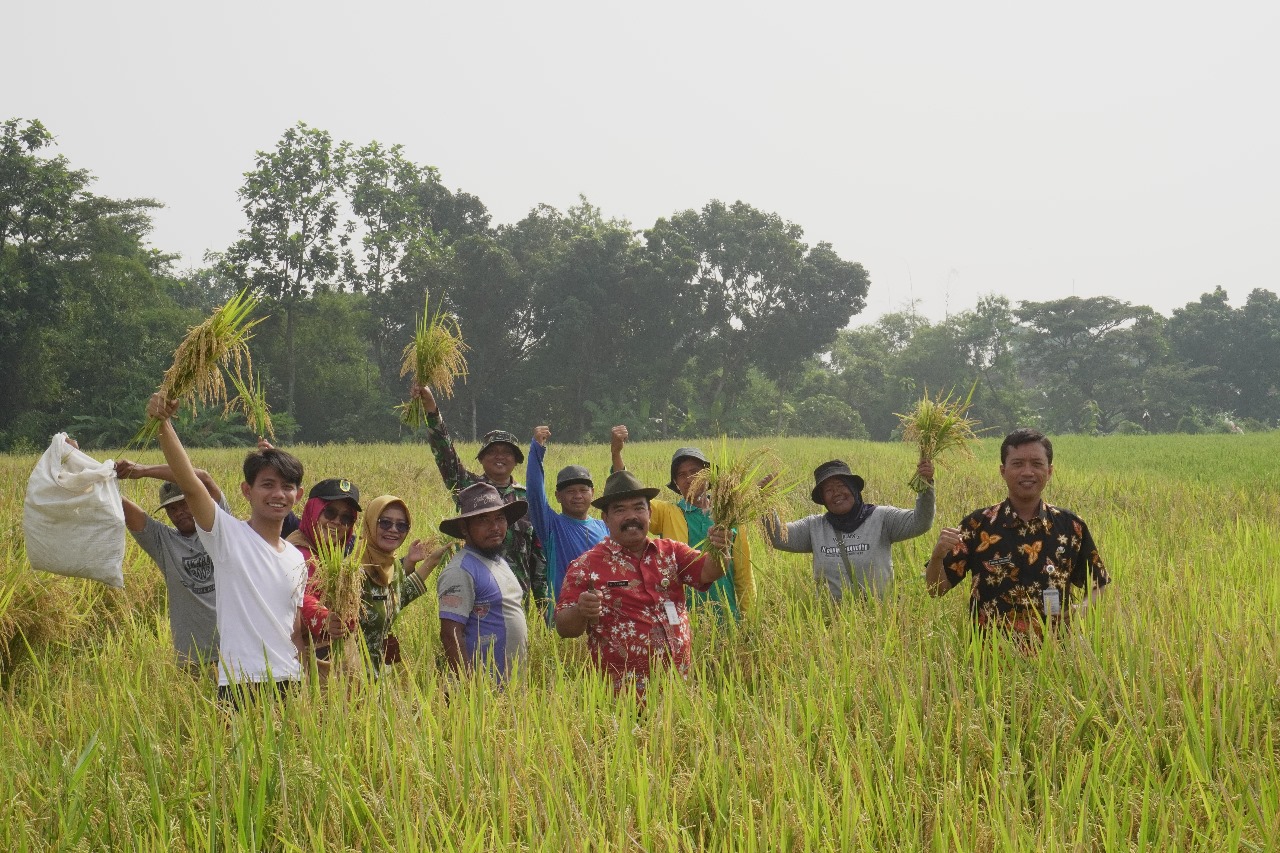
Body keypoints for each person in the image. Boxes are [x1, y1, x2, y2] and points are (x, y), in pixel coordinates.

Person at [144, 393, 308, 707]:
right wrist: (163, 424)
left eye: (287, 487)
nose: (278, 494)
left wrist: (306, 682)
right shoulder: (226, 536)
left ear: (298, 495)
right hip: (241, 684)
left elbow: (295, 629)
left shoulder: (295, 557)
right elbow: (190, 483)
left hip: (291, 683)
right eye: (267, 484)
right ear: (247, 491)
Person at [555, 470, 730, 696]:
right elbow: (564, 627)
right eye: (620, 510)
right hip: (621, 699)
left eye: (639, 508)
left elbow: (709, 572)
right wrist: (581, 610)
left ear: (649, 512)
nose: (631, 516)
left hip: (678, 692)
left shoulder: (671, 552)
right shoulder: (585, 566)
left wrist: (720, 548)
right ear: (605, 518)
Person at [924, 428, 1110, 635]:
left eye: (1037, 464)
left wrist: (1082, 608)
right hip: (990, 658)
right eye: (1018, 464)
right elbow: (936, 590)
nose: (1028, 472)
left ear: (1049, 471)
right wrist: (937, 557)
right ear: (1003, 471)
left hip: (1055, 655)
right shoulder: (977, 525)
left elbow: (1099, 583)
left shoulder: (1071, 526)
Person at [412, 383, 548, 610]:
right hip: (478, 598)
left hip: (517, 600)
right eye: (493, 452)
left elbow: (538, 556)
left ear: (516, 460)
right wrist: (431, 409)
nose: (500, 457)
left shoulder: (527, 500)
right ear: (482, 459)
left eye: (506, 452)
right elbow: (446, 454)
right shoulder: (469, 488)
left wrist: (545, 608)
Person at [610, 425, 754, 620]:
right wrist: (616, 454)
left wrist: (749, 618)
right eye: (682, 475)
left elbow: (744, 574)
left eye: (694, 472)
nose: (689, 479)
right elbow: (628, 496)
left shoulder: (729, 517)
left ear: (707, 475)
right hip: (681, 616)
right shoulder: (668, 513)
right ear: (676, 483)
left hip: (727, 613)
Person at [114, 457, 230, 674]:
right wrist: (81, 464)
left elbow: (203, 477)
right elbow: (118, 503)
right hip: (192, 660)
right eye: (171, 509)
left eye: (184, 503)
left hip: (236, 653)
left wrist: (143, 470)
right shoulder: (163, 542)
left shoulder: (221, 528)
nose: (178, 513)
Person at [764, 458, 936, 602]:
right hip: (831, 626)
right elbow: (776, 537)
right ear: (823, 499)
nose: (836, 493)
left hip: (882, 619)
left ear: (853, 488)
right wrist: (765, 501)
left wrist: (925, 484)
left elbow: (920, 522)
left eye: (840, 486)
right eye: (828, 490)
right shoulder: (814, 527)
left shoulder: (882, 518)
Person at [436, 483, 530, 684]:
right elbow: (450, 634)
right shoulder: (460, 570)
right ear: (464, 527)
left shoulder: (499, 561)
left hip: (510, 687)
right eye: (483, 520)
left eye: (500, 518)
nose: (495, 527)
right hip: (483, 693)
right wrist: (470, 689)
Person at [353, 495, 448, 677]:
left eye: (401, 525)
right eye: (385, 523)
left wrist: (429, 562)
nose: (394, 530)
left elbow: (397, 598)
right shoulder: (354, 569)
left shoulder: (392, 565)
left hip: (378, 674)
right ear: (371, 523)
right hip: (350, 678)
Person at [526, 424, 607, 621]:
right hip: (566, 617)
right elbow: (535, 493)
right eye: (570, 491)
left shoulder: (604, 527)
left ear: (593, 493)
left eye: (583, 490)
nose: (578, 496)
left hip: (604, 616)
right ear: (558, 496)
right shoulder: (552, 527)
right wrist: (537, 449)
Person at [283, 478, 362, 666]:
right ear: (313, 511)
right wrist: (323, 617)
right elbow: (301, 595)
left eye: (346, 518)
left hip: (337, 660)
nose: (336, 522)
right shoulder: (295, 552)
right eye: (330, 512)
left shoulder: (338, 554)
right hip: (306, 660)